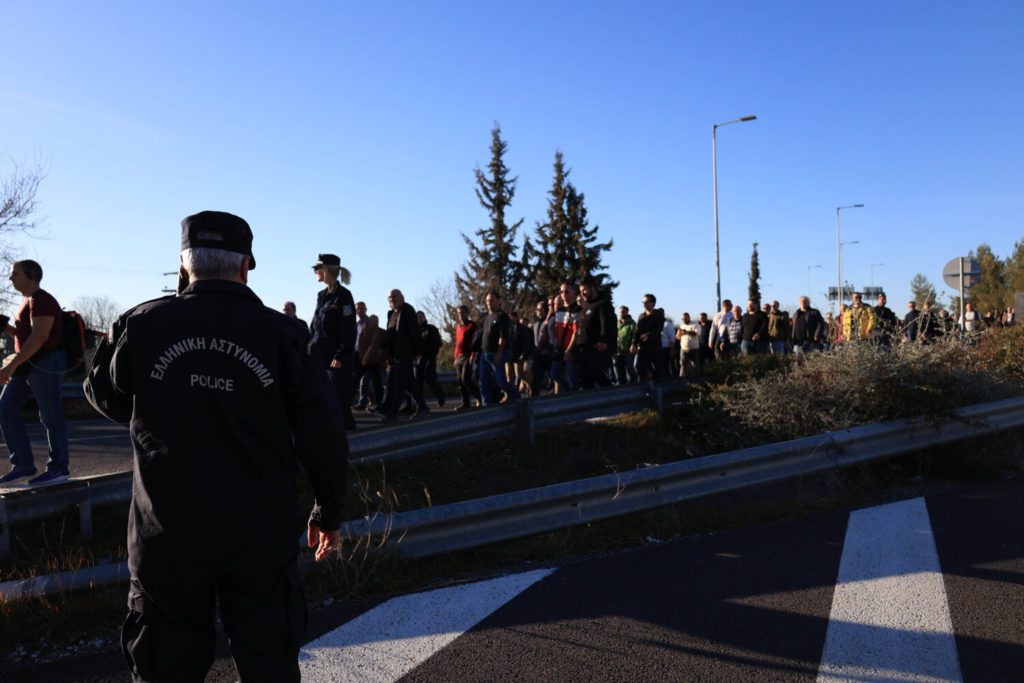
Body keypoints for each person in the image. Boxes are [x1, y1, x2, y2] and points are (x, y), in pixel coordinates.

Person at [83, 211, 347, 682]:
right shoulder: (283, 334)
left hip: (166, 536)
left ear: (183, 265)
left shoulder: (142, 324)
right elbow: (322, 430)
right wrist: (328, 510)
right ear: (246, 264)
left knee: (164, 669)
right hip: (259, 538)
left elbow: (104, 396)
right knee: (269, 666)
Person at [0, 260, 71, 485]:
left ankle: (59, 468)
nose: (10, 278)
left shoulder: (42, 301)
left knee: (51, 416)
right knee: (5, 409)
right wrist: (5, 327)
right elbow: (24, 336)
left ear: (31, 275)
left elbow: (39, 337)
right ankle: (22, 464)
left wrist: (10, 366)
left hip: (46, 362)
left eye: (15, 274)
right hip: (30, 362)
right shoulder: (28, 301)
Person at [309, 254, 357, 430]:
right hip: (321, 355)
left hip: (337, 359)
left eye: (317, 268)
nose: (315, 271)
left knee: (339, 400)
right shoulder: (322, 295)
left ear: (326, 269)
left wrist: (341, 355)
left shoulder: (343, 296)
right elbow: (315, 325)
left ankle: (355, 443)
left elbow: (349, 329)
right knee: (327, 398)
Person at [380, 289, 426, 421]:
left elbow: (414, 333)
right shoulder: (391, 314)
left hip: (405, 354)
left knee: (398, 384)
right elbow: (390, 336)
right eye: (389, 298)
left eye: (395, 297)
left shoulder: (407, 311)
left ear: (402, 297)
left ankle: (391, 413)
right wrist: (385, 352)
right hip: (394, 356)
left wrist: (417, 352)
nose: (392, 300)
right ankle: (422, 407)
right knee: (408, 383)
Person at [478, 290, 520, 405]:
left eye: (491, 300)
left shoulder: (502, 316)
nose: (489, 303)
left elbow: (504, 337)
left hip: (496, 354)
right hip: (485, 354)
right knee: (483, 382)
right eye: (487, 301)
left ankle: (517, 396)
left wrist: (499, 354)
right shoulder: (486, 317)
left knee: (500, 382)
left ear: (498, 301)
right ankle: (487, 406)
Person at [576, 279, 616, 389]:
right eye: (580, 290)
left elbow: (607, 325)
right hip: (585, 350)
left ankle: (613, 397)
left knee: (597, 375)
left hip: (598, 349)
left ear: (593, 288)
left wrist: (604, 341)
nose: (582, 293)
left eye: (584, 290)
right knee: (585, 378)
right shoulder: (586, 307)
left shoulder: (603, 304)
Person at [414, 310, 445, 408]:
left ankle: (441, 397)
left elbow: (437, 344)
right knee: (418, 382)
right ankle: (420, 404)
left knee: (431, 380)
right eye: (417, 317)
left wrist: (432, 357)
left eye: (420, 316)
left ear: (424, 317)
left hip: (429, 359)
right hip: (418, 360)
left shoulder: (431, 329)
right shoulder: (414, 331)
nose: (419, 318)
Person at [631, 294, 665, 381]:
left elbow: (659, 330)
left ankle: (660, 390)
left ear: (653, 303)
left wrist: (648, 335)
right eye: (643, 302)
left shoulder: (658, 315)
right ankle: (643, 388)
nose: (644, 305)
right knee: (638, 366)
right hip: (643, 348)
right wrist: (634, 344)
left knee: (659, 371)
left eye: (646, 302)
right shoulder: (641, 316)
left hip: (655, 348)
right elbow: (637, 331)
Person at [453, 305, 480, 409]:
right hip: (459, 356)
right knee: (460, 380)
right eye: (459, 313)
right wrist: (455, 357)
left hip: (468, 355)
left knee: (466, 379)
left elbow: (475, 341)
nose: (460, 315)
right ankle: (465, 402)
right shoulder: (458, 327)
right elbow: (457, 343)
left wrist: (473, 355)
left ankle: (479, 397)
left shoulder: (472, 325)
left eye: (463, 312)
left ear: (467, 313)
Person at [614, 305, 638, 385]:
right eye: (620, 312)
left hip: (628, 350)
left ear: (627, 312)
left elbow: (635, 335)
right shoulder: (617, 323)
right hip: (618, 350)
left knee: (629, 368)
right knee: (619, 369)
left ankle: (633, 384)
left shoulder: (632, 323)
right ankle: (621, 385)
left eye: (623, 312)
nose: (621, 313)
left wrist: (633, 345)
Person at [677, 313, 700, 377]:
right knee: (683, 365)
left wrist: (686, 331)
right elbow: (678, 337)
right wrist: (679, 333)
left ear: (689, 318)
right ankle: (682, 378)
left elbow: (696, 333)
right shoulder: (681, 326)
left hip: (694, 348)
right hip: (684, 349)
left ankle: (696, 379)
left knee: (695, 365)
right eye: (683, 319)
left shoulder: (695, 324)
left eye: (685, 318)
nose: (684, 320)